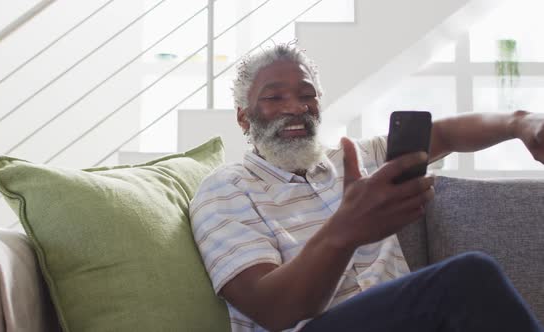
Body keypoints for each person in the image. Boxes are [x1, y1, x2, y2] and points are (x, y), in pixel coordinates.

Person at [190, 43, 544, 332]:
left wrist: (519, 123)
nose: (295, 108)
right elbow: (273, 310)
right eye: (274, 98)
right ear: (243, 117)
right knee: (468, 277)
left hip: (401, 320)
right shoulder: (225, 190)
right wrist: (343, 232)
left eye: (306, 95)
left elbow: (448, 134)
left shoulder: (357, 159)